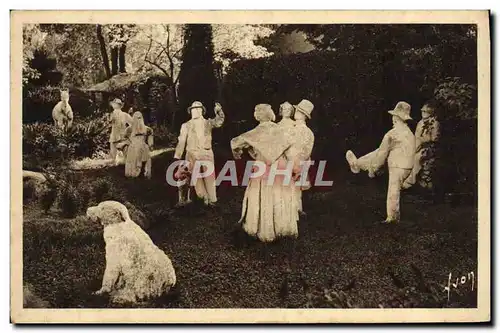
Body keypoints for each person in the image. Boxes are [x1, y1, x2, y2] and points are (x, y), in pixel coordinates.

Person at [231, 104, 296, 242]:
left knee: (263, 194)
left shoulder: (257, 131)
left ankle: (265, 231)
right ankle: (283, 229)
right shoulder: (279, 129)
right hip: (281, 166)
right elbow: (289, 145)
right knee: (280, 195)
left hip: (264, 165)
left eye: (256, 112)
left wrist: (240, 152)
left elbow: (236, 142)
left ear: (259, 115)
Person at [345, 101, 416, 223]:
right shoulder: (409, 133)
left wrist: (374, 169)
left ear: (395, 118)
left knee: (393, 191)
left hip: (397, 165)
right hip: (408, 166)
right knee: (377, 152)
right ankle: (357, 163)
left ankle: (392, 218)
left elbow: (381, 156)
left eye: (394, 116)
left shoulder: (392, 134)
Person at [174, 101, 225, 206]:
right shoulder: (186, 125)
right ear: (191, 111)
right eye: (194, 109)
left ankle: (212, 199)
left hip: (207, 153)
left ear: (202, 110)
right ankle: (203, 197)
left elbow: (219, 122)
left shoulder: (208, 123)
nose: (196, 111)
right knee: (196, 177)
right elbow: (182, 141)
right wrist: (177, 155)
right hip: (192, 153)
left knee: (209, 176)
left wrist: (219, 111)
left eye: (198, 108)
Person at [403, 100, 441, 191]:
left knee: (417, 158)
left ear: (431, 112)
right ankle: (403, 177)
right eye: (422, 111)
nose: (423, 113)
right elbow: (416, 136)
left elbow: (435, 139)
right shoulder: (420, 123)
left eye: (425, 112)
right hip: (418, 145)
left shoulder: (435, 123)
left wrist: (424, 140)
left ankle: (409, 182)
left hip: (429, 147)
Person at [289, 100, 315, 217]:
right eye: (297, 110)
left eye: (299, 111)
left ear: (304, 115)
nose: (296, 112)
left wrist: (299, 161)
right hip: (290, 158)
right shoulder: (291, 127)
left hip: (298, 160)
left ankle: (296, 209)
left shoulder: (306, 131)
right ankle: (293, 209)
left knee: (296, 184)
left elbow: (306, 149)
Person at [121, 111, 154, 179]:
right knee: (133, 158)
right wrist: (128, 143)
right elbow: (124, 137)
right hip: (133, 146)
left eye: (139, 118)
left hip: (143, 145)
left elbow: (150, 136)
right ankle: (134, 173)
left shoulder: (147, 129)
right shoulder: (129, 129)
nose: (138, 120)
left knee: (144, 155)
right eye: (136, 118)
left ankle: (143, 172)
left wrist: (151, 145)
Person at [109, 98, 133, 164]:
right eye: (113, 105)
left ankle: (126, 163)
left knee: (125, 152)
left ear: (119, 106)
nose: (114, 106)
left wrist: (128, 131)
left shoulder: (124, 115)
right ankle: (117, 163)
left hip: (122, 136)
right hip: (115, 135)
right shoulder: (112, 114)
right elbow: (109, 124)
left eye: (115, 105)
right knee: (114, 154)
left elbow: (132, 124)